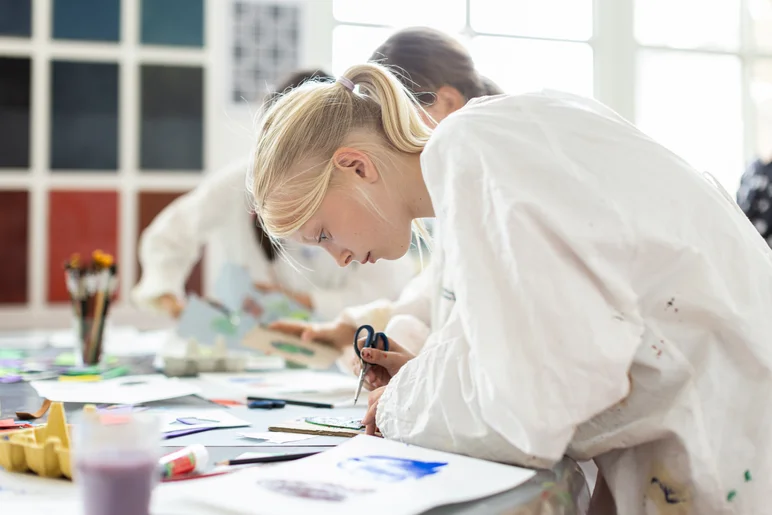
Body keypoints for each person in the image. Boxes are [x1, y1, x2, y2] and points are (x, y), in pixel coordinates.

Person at [247, 62, 772, 514]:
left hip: (731, 437)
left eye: (323, 233)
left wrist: (398, 404)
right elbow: (533, 342)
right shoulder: (479, 161)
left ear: (356, 166)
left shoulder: (473, 147)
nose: (338, 255)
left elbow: (534, 405)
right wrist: (424, 374)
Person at [270, 27, 502, 354]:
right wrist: (353, 328)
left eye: (396, 115)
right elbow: (438, 294)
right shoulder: (460, 198)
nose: (390, 133)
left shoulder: (498, 183)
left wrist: (409, 384)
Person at [131, 69, 416, 321]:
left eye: (323, 234)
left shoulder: (373, 209)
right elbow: (171, 233)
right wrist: (172, 302)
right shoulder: (239, 181)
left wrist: (299, 302)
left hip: (337, 340)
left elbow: (388, 291)